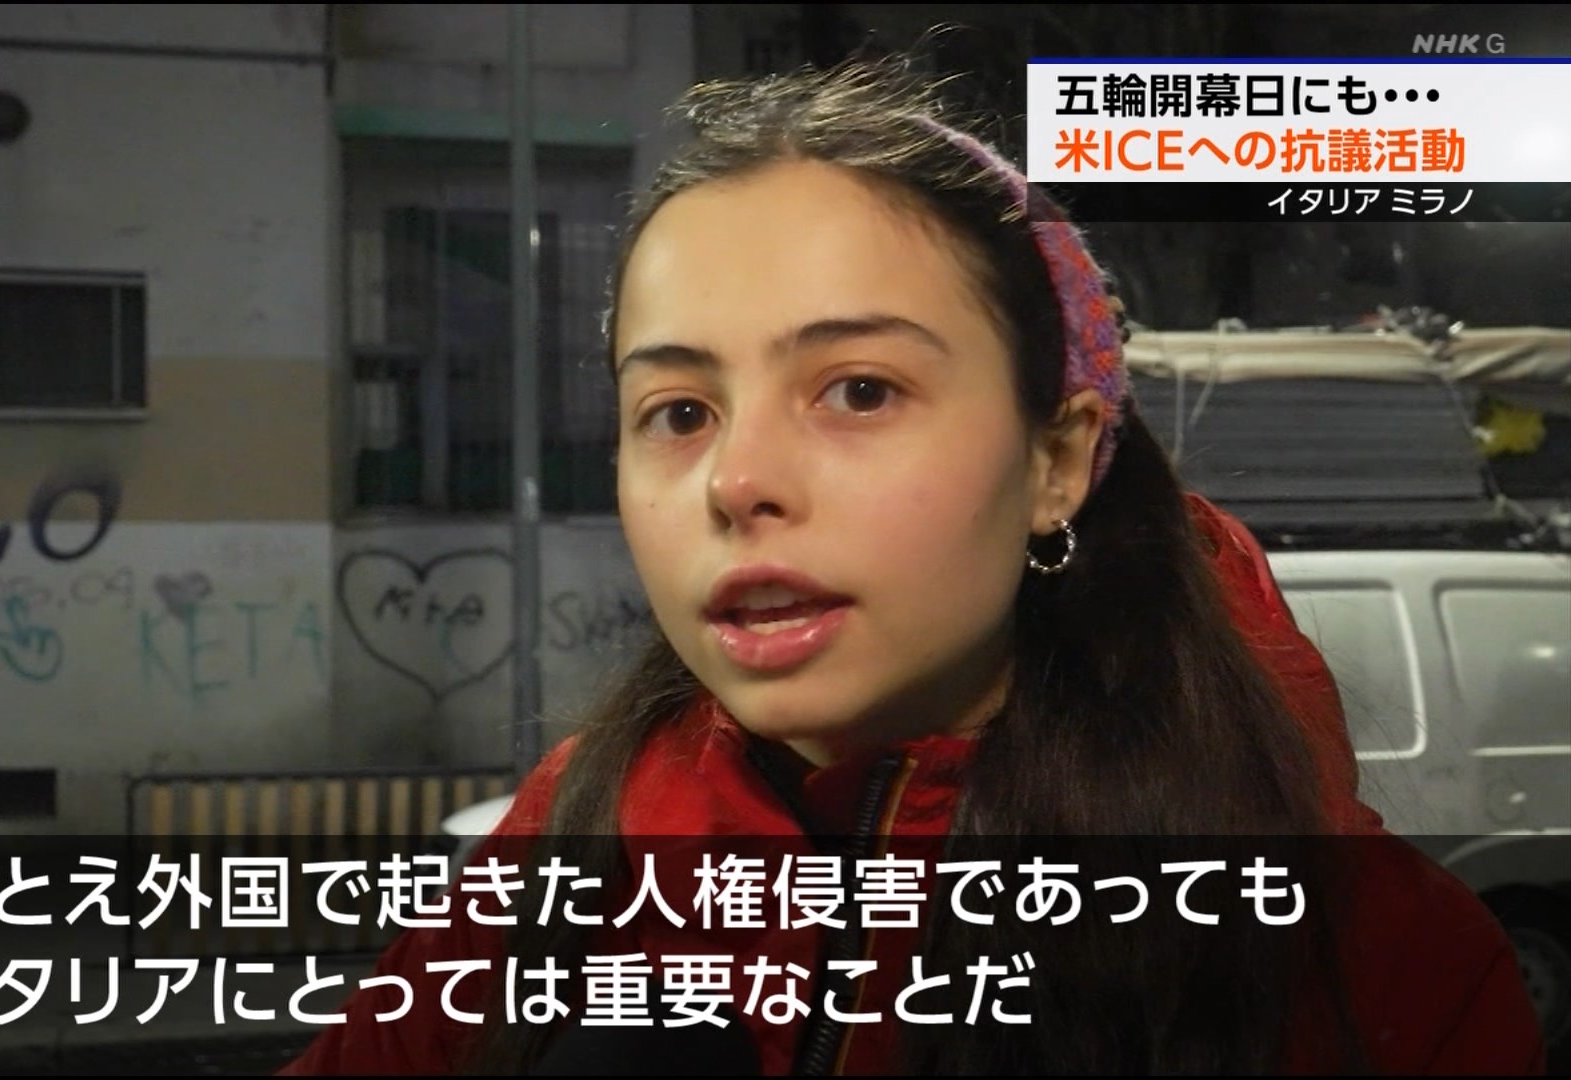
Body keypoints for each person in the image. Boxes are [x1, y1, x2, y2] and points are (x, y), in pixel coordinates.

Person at [283, 58, 1543, 1075]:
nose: (736, 481)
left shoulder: (1384, 965)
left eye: (860, 390)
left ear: (1057, 459)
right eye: (679, 411)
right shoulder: (558, 855)